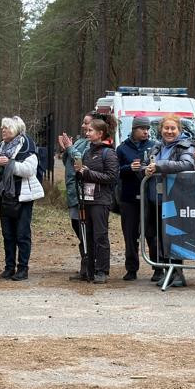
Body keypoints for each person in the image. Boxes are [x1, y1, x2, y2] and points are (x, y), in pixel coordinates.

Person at [0, 116, 43, 281]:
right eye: (2, 128)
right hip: (4, 196)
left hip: (22, 197)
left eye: (7, 128)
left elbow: (29, 170)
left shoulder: (27, 147)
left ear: (16, 130)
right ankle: (9, 267)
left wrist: (9, 163)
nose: (3, 130)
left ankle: (23, 269)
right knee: (7, 234)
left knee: (22, 234)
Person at [143, 113, 195, 287]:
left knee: (173, 237)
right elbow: (146, 165)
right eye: (166, 128)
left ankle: (178, 273)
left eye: (173, 128)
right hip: (154, 199)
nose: (169, 131)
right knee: (157, 236)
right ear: (161, 130)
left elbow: (187, 165)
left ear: (179, 130)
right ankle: (167, 271)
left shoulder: (185, 146)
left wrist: (159, 166)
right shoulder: (156, 147)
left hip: (174, 200)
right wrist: (145, 170)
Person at [73, 114, 120, 283]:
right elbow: (84, 174)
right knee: (87, 235)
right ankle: (88, 270)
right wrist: (79, 173)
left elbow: (112, 177)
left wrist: (87, 173)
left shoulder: (109, 153)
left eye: (91, 130)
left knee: (100, 236)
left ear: (100, 133)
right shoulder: (87, 151)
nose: (87, 132)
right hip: (87, 199)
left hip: (101, 200)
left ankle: (102, 271)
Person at [116, 116, 155, 280]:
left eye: (148, 129)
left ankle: (158, 268)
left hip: (150, 198)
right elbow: (115, 170)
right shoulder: (122, 148)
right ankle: (131, 269)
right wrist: (128, 168)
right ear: (134, 129)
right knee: (130, 235)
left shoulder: (154, 146)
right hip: (129, 197)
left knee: (152, 234)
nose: (146, 131)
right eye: (142, 128)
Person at [58, 116, 94, 279]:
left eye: (86, 122)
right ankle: (86, 264)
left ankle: (90, 266)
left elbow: (80, 160)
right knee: (78, 227)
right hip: (73, 193)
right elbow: (68, 160)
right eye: (83, 122)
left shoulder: (93, 144)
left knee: (85, 230)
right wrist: (66, 149)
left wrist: (70, 148)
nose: (83, 125)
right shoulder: (80, 141)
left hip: (84, 194)